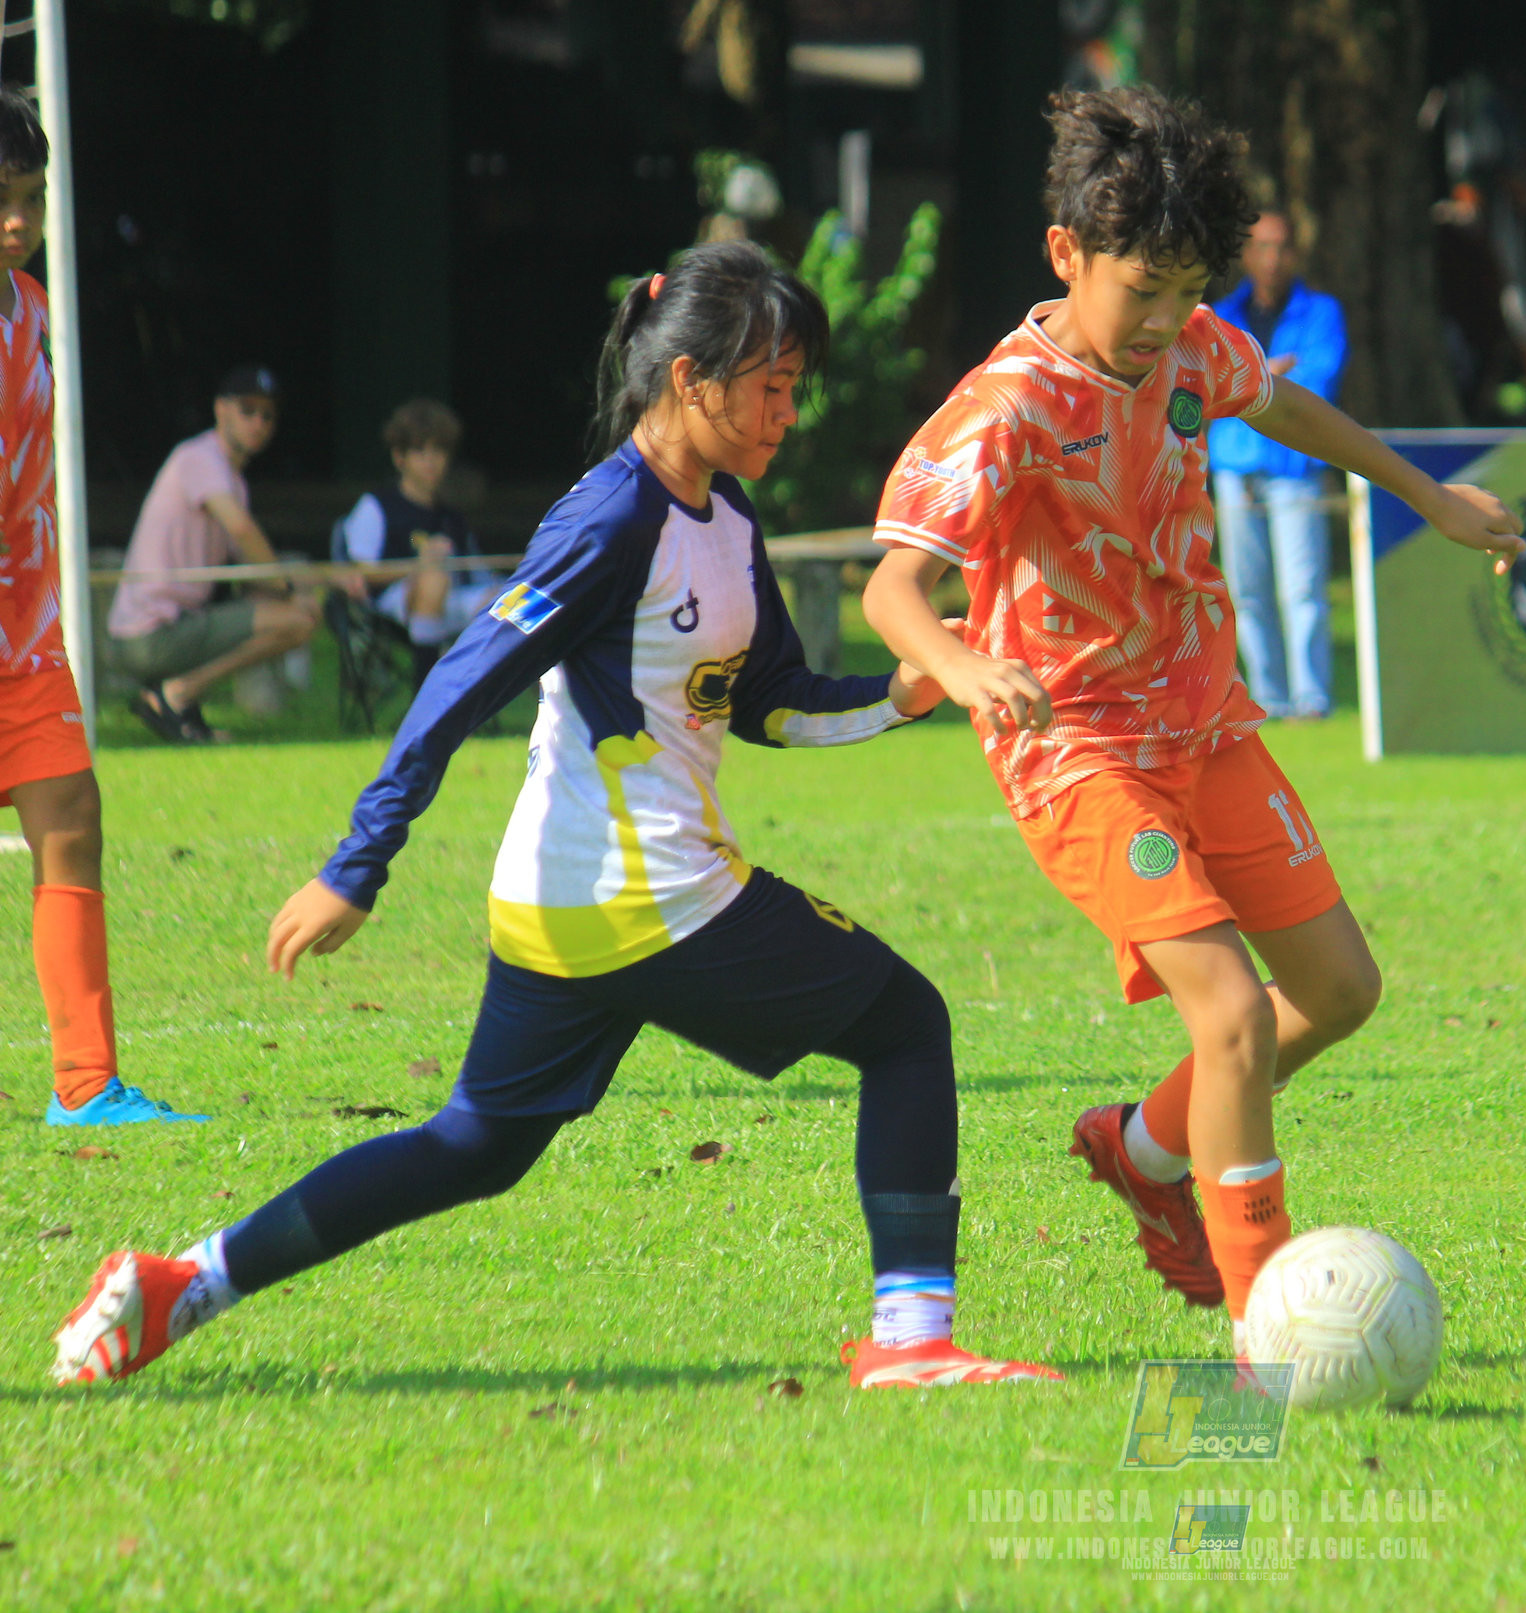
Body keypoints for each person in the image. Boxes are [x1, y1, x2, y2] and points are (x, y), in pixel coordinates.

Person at [51, 241, 1058, 1391]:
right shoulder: (611, 519)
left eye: (794, 386)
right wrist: (356, 864)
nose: (787, 412)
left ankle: (184, 1284)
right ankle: (915, 1345)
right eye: (769, 385)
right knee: (907, 1024)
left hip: (569, 905)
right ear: (689, 381)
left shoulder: (724, 516)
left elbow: (769, 702)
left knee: (471, 1146)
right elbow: (456, 682)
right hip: (650, 897)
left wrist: (900, 692)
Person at [862, 88, 1521, 1350]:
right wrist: (961, 661)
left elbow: (1283, 406)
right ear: (1065, 253)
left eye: (1187, 289)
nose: (1166, 321)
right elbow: (893, 585)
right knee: (1226, 1013)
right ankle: (1272, 1331)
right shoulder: (1003, 409)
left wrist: (1427, 495)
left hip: (1207, 725)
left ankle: (1147, 1146)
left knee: (1335, 990)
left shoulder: (1194, 348)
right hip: (1079, 749)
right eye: (1140, 290)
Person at [0, 89, 204, 1128]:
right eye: (0, 198)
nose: (17, 219)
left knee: (71, 818)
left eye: (29, 196)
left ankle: (86, 1084)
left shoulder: (29, 306)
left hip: (24, 634)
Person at [106, 366, 320, 743]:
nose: (258, 422)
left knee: (297, 613)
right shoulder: (200, 458)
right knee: (297, 620)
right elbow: (242, 530)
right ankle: (176, 695)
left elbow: (247, 564)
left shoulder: (230, 477)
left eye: (267, 415)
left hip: (175, 624)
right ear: (221, 410)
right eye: (248, 410)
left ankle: (181, 703)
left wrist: (321, 582)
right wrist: (289, 589)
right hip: (150, 634)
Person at [1207, 209, 1346, 720]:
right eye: (1261, 247)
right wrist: (1270, 374)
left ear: (1295, 253)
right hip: (1235, 469)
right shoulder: (1221, 314)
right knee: (1247, 592)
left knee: (1303, 587)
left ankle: (1312, 698)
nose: (1272, 258)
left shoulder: (1321, 312)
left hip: (1294, 469)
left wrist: (1251, 379)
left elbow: (1319, 382)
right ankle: (1267, 696)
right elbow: (1213, 385)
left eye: (1281, 247)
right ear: (1246, 254)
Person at [336, 398, 501, 687]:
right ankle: (425, 693)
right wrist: (419, 566)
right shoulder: (377, 506)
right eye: (419, 451)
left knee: (514, 599)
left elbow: (477, 573)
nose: (431, 461)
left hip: (455, 600)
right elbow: (364, 572)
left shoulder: (452, 517)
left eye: (439, 451)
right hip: (394, 607)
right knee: (433, 579)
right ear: (399, 457)